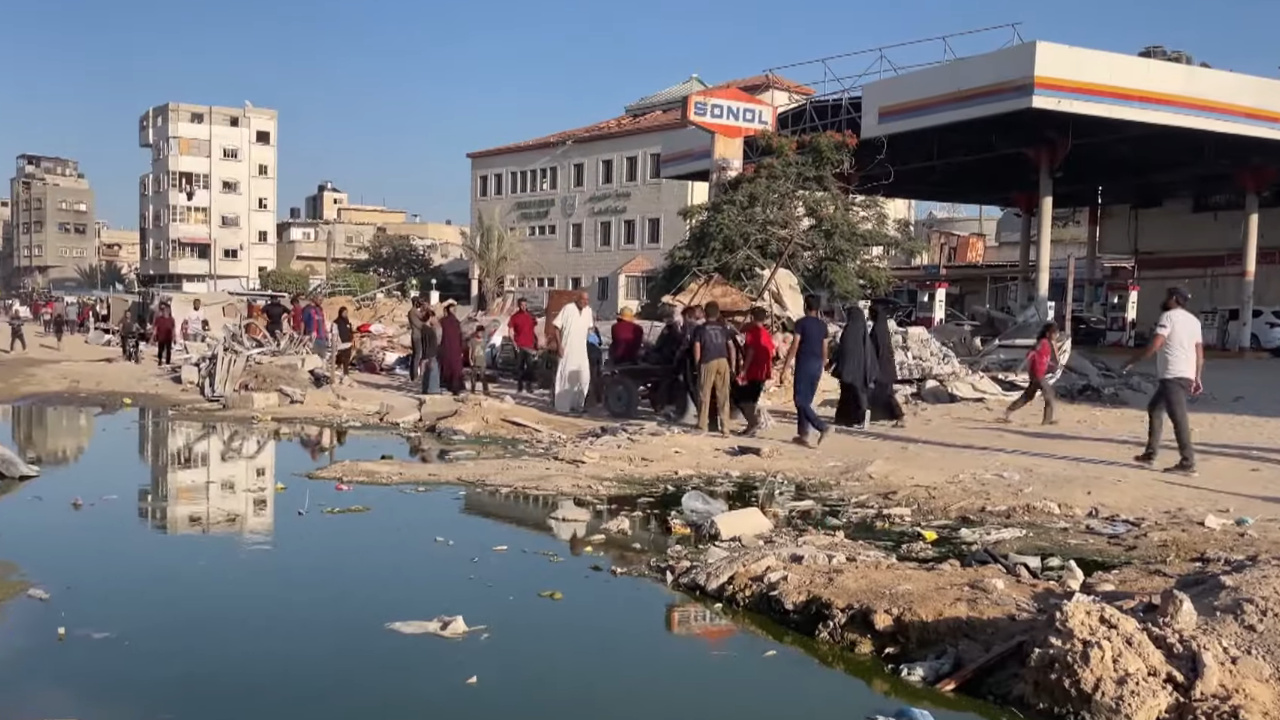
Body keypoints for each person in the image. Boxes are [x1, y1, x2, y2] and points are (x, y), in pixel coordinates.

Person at [1122, 286, 1203, 476]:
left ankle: (1187, 461)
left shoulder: (1168, 317)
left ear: (1174, 299)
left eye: (1168, 297)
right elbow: (1200, 352)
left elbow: (1155, 345)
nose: (1165, 300)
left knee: (1178, 418)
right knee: (1155, 409)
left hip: (1172, 375)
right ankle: (1150, 453)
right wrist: (1197, 376)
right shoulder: (1194, 321)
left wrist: (1132, 361)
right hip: (1186, 374)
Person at [780, 294, 830, 448]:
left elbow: (795, 345)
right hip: (817, 365)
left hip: (805, 364)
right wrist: (822, 364)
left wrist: (786, 366)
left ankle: (822, 426)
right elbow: (825, 348)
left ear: (805, 307)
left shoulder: (800, 323)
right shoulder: (823, 326)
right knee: (805, 401)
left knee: (799, 400)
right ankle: (803, 435)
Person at [1002, 322, 1059, 425]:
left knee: (1028, 396)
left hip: (1037, 375)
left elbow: (1042, 359)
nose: (1056, 335)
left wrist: (1052, 365)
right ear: (1048, 334)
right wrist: (1019, 368)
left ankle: (1008, 411)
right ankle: (1047, 420)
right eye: (1054, 333)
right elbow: (1031, 354)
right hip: (1037, 375)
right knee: (1049, 394)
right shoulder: (1042, 342)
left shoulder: (1048, 345)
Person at [692, 301, 736, 435]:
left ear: (705, 313)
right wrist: (732, 366)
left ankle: (702, 426)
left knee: (704, 394)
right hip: (723, 361)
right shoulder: (724, 328)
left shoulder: (700, 329)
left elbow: (697, 347)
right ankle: (725, 427)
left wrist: (697, 364)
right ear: (718, 314)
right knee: (723, 395)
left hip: (707, 360)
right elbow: (731, 347)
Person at [833, 305, 878, 430]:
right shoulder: (863, 331)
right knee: (857, 394)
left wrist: (834, 362)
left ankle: (848, 418)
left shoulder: (848, 330)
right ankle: (854, 418)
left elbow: (841, 350)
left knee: (849, 394)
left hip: (848, 370)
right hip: (860, 370)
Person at [551, 291, 594, 413]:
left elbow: (589, 327)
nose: (585, 302)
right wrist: (559, 345)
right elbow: (556, 327)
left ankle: (579, 404)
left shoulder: (588, 311)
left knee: (584, 377)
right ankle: (562, 406)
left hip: (581, 350)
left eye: (587, 300)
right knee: (565, 376)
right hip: (568, 349)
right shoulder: (568, 308)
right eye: (583, 299)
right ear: (577, 299)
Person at [736, 307, 775, 436]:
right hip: (763, 372)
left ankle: (753, 422)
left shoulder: (753, 333)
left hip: (753, 371)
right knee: (752, 398)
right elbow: (772, 352)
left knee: (741, 398)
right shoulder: (766, 334)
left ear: (752, 318)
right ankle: (751, 425)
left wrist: (743, 370)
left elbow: (751, 352)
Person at [868, 304, 906, 427]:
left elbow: (877, 349)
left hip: (882, 367)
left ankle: (900, 416)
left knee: (887, 394)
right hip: (886, 366)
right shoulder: (882, 327)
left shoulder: (878, 329)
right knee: (882, 393)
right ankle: (881, 416)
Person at [508, 297, 538, 393]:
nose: (524, 307)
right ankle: (520, 387)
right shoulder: (514, 317)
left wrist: (537, 342)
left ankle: (529, 386)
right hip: (519, 345)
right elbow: (510, 331)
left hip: (530, 345)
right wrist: (514, 343)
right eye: (522, 305)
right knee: (519, 367)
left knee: (530, 367)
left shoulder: (531, 316)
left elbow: (536, 329)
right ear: (518, 305)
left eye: (525, 305)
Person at [437, 300, 465, 396]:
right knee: (450, 367)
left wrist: (461, 348)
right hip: (447, 347)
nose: (454, 311)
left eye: (455, 309)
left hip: (454, 348)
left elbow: (460, 336)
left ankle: (455, 387)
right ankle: (450, 386)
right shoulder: (443, 322)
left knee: (455, 368)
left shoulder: (456, 322)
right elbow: (439, 335)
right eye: (453, 309)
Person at [331, 306, 355, 377]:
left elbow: (350, 332)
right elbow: (334, 333)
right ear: (340, 313)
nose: (345, 314)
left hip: (348, 343)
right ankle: (339, 372)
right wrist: (336, 342)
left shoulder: (347, 322)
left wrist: (352, 340)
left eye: (346, 313)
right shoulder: (336, 322)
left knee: (347, 360)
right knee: (341, 359)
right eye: (344, 313)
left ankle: (346, 374)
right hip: (341, 344)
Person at [421, 308, 441, 394]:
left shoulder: (423, 329)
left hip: (426, 353)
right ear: (430, 317)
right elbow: (431, 343)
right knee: (433, 373)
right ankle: (433, 390)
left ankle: (425, 389)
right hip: (431, 354)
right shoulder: (429, 330)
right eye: (434, 317)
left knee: (427, 373)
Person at [467, 326, 490, 394]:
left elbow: (485, 350)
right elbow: (470, 350)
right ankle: (473, 389)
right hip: (475, 361)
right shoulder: (472, 341)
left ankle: (485, 390)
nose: (481, 334)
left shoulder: (484, 341)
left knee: (483, 376)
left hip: (482, 361)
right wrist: (470, 359)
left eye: (482, 333)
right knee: (473, 377)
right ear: (476, 332)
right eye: (479, 332)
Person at [408, 297, 425, 382]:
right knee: (417, 355)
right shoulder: (413, 312)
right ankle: (414, 376)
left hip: (415, 335)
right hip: (417, 335)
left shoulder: (412, 312)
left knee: (415, 355)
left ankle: (413, 374)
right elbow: (421, 322)